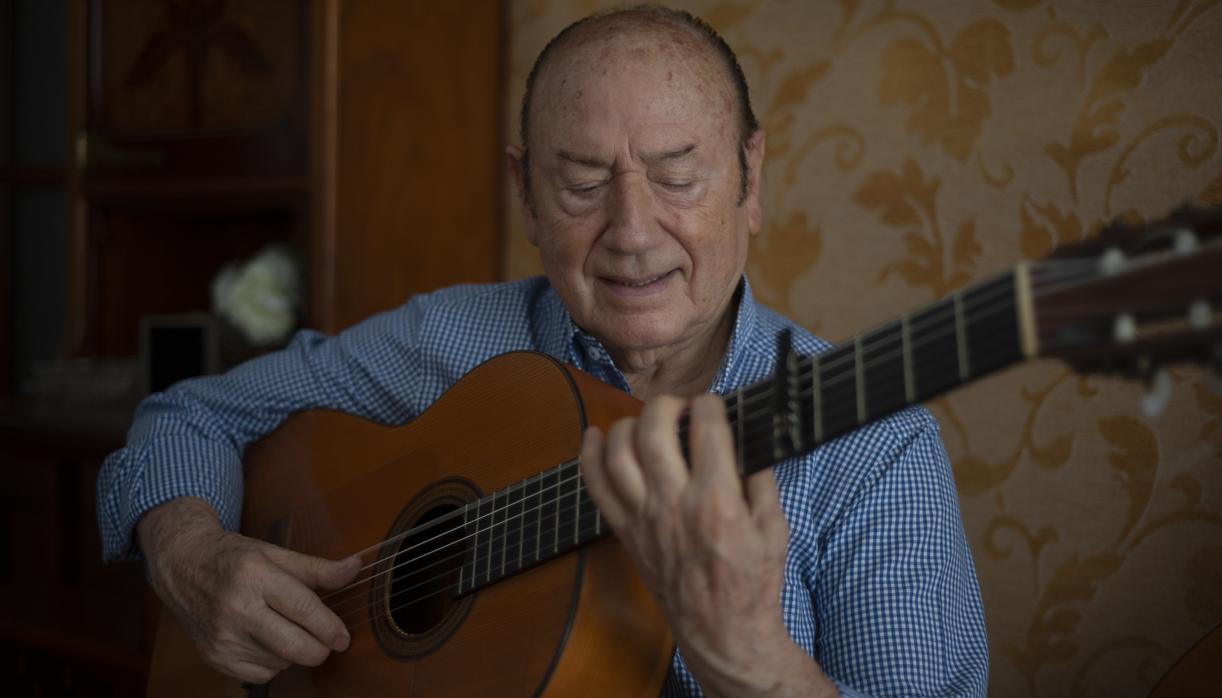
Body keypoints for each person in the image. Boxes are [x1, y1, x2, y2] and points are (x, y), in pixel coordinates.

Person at [98, 6, 989, 696]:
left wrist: (752, 661)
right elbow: (190, 413)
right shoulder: (448, 341)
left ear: (751, 179)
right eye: (582, 183)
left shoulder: (877, 453)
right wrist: (191, 552)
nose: (633, 234)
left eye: (679, 177)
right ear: (525, 192)